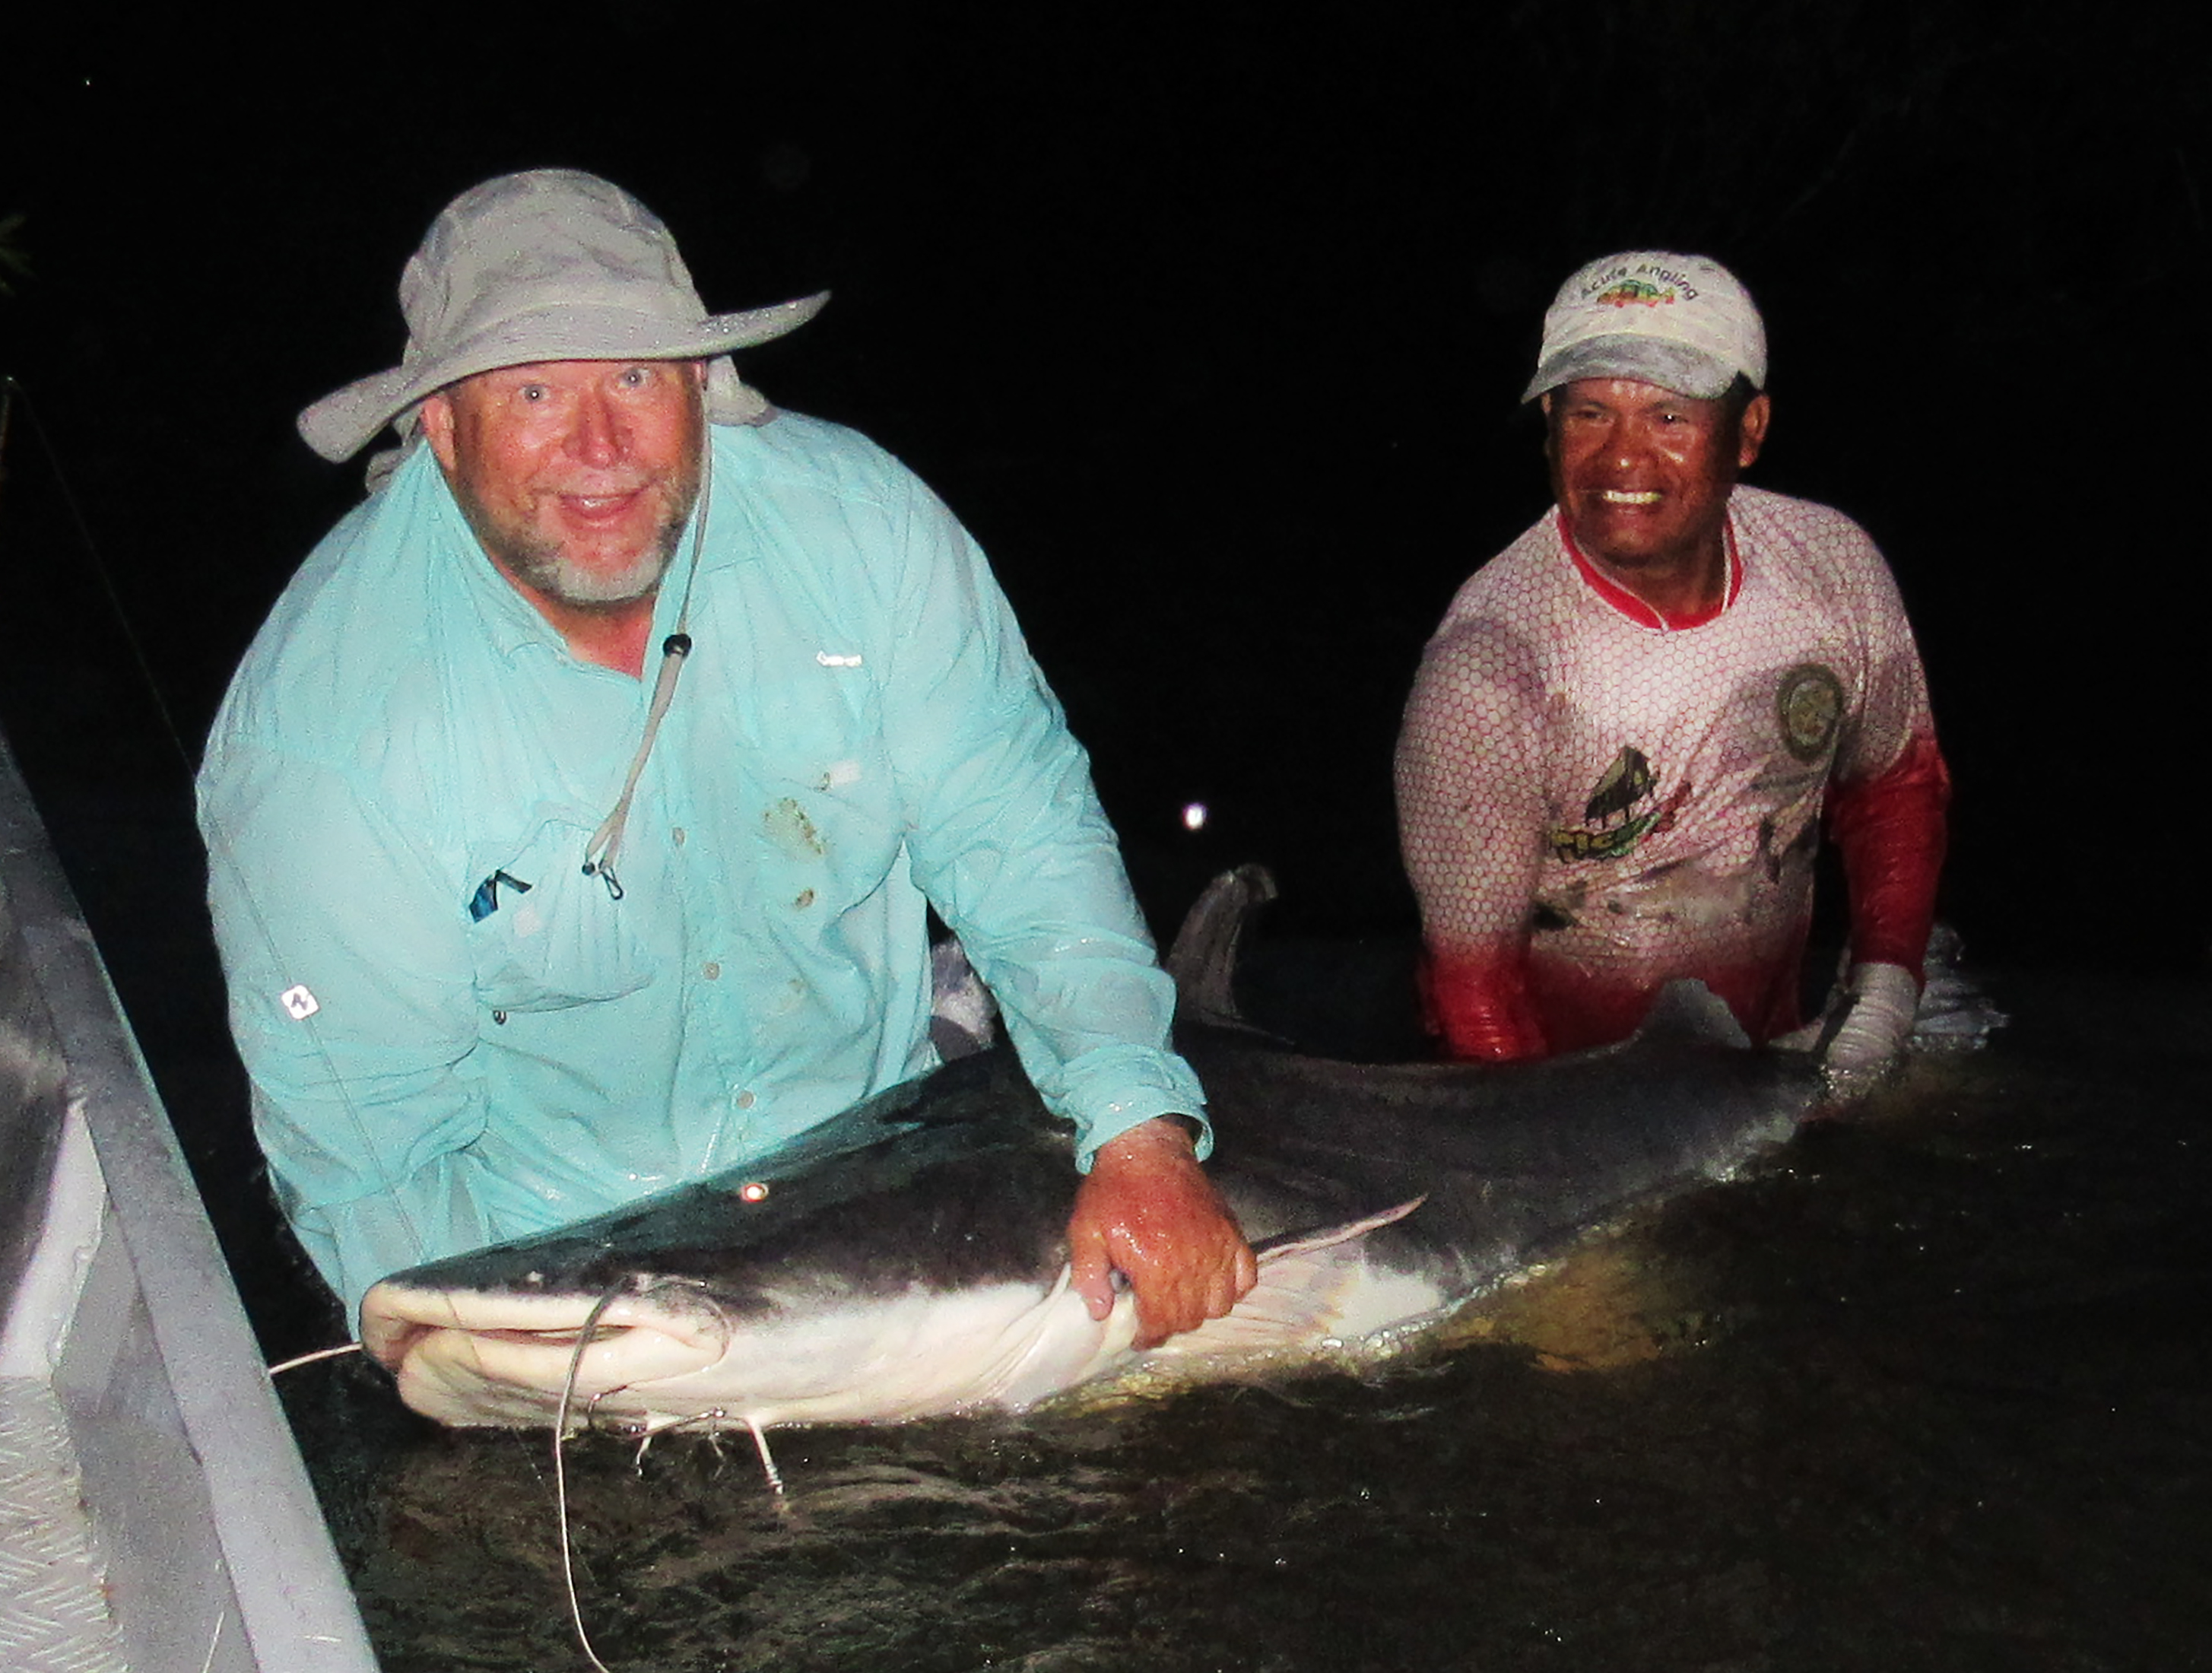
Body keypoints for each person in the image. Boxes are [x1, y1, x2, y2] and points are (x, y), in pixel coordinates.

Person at [198, 169, 1255, 1339]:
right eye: (536, 390)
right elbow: (371, 1156)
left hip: (879, 1154)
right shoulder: (325, 734)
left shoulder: (864, 530)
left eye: (638, 376)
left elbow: (1017, 829)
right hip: (566, 1253)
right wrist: (498, 1368)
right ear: (441, 427)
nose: (599, 447)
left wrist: (1137, 1131)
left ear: (707, 383)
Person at [1394, 251, 1947, 1078]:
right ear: (1547, 418)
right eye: (1588, 414)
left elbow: (1891, 786)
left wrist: (1883, 987)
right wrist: (1553, 1149)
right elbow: (1472, 988)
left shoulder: (1829, 566)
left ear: (1748, 431)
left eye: (1667, 417)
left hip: (1769, 1054)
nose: (1621, 459)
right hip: (1556, 1084)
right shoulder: (1487, 673)